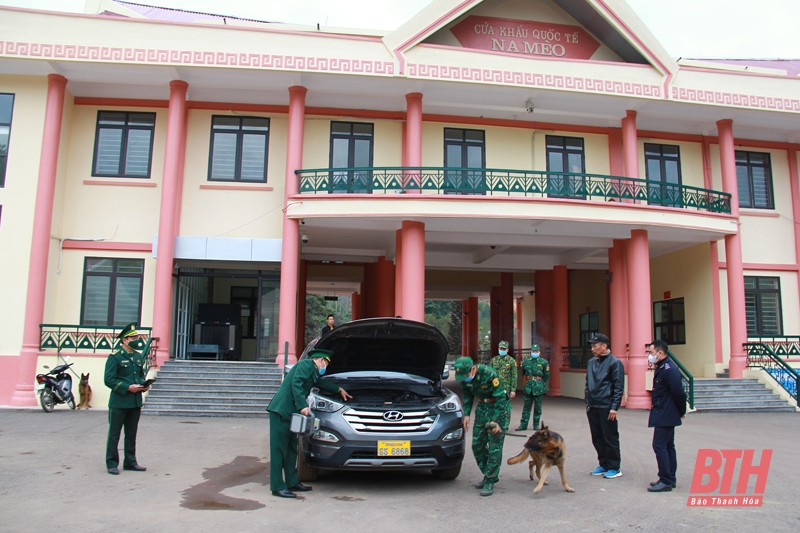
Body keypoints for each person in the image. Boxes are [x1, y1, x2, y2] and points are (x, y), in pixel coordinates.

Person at [266, 349, 352, 498]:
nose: (325, 367)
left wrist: (339, 389)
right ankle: (277, 486)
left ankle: (292, 482)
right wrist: (302, 406)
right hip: (281, 411)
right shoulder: (306, 365)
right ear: (321, 360)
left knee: (292, 449)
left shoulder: (312, 371)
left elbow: (320, 382)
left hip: (291, 414)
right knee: (279, 450)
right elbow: (296, 383)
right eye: (326, 363)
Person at [454, 356, 510, 497]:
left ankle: (490, 480)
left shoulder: (489, 373)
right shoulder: (466, 380)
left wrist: (496, 421)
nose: (464, 378)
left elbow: (500, 398)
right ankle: (489, 474)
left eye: (466, 375)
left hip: (499, 410)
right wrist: (466, 414)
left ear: (473, 369)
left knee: (494, 446)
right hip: (482, 409)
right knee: (477, 445)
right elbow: (467, 396)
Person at [104, 322, 151, 475]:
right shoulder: (115, 357)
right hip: (119, 402)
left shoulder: (137, 356)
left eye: (137, 336)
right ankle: (112, 463)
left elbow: (140, 374)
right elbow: (109, 379)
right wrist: (127, 387)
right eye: (133, 337)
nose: (136, 339)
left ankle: (130, 462)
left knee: (131, 433)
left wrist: (144, 385)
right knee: (114, 433)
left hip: (135, 402)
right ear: (124, 340)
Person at [647, 339, 687, 492]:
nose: (650, 356)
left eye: (652, 352)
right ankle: (669, 477)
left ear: (660, 352)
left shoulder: (669, 369)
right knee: (668, 445)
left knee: (659, 445)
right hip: (664, 411)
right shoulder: (663, 367)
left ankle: (665, 480)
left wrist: (681, 410)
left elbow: (678, 392)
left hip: (666, 412)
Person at [585, 333, 625, 479]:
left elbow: (618, 387)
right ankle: (603, 464)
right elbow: (588, 383)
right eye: (592, 346)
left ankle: (614, 467)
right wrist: (587, 400)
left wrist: (614, 407)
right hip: (593, 405)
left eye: (595, 346)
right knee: (597, 437)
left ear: (604, 346)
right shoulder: (591, 363)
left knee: (610, 437)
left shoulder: (615, 363)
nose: (592, 349)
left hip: (607, 406)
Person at [515, 343, 550, 431]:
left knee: (538, 407)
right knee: (526, 407)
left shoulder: (544, 362)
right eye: (533, 351)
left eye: (536, 351)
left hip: (538, 387)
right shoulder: (526, 361)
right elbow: (523, 373)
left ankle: (536, 425)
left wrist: (540, 382)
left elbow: (546, 375)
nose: (535, 352)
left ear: (539, 352)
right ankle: (523, 425)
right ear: (531, 351)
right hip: (528, 387)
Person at [490, 340, 517, 425]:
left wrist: (513, 390)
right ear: (498, 348)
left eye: (504, 349)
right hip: (495, 388)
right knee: (495, 406)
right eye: (501, 348)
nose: (502, 350)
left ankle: (505, 426)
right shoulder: (494, 360)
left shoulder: (511, 361)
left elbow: (514, 376)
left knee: (506, 408)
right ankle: (495, 424)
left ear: (507, 350)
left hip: (507, 389)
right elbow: (489, 374)